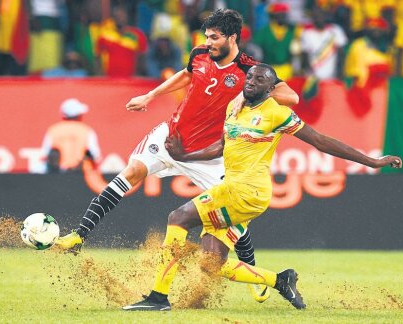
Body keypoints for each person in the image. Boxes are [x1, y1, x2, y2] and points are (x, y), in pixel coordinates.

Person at [56, 9, 299, 302]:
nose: (208, 42)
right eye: (207, 36)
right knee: (130, 173)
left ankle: (255, 274)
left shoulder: (250, 69)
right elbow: (185, 76)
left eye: (215, 37)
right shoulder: (198, 54)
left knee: (230, 218)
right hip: (173, 137)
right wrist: (150, 96)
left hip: (209, 155)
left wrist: (251, 93)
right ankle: (78, 236)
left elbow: (292, 97)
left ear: (233, 38)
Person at [122, 63, 403, 311]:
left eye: (259, 80)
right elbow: (221, 146)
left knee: (177, 218)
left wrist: (372, 161)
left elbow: (320, 140)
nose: (251, 82)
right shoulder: (234, 109)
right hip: (233, 190)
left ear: (271, 90)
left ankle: (158, 298)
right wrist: (185, 156)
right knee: (211, 265)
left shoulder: (277, 114)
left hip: (247, 192)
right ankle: (280, 281)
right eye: (250, 78)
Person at [41, 98, 102, 172]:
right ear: (78, 114)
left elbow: (45, 155)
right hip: (80, 175)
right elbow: (96, 156)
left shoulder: (53, 130)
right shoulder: (86, 130)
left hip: (57, 175)